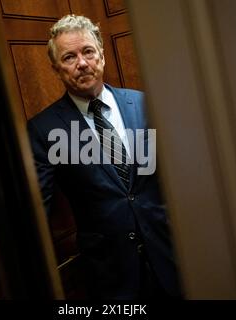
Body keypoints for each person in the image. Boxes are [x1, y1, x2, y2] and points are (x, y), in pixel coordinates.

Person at [27, 14, 182, 299]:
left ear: (102, 55)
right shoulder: (43, 129)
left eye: (87, 51)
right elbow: (36, 210)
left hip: (171, 258)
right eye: (69, 57)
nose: (82, 63)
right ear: (56, 69)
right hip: (111, 275)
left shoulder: (144, 103)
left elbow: (180, 175)